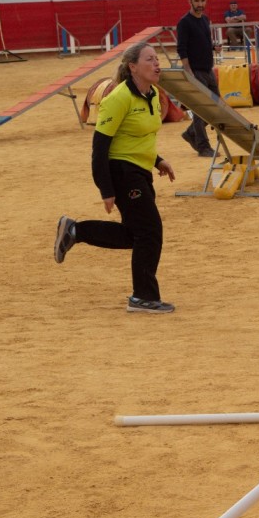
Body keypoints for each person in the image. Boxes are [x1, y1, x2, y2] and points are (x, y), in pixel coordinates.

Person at [52, 42, 178, 314]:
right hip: (122, 172)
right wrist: (105, 189)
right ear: (133, 66)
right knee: (150, 231)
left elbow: (139, 135)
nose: (157, 64)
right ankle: (143, 297)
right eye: (150, 59)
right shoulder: (117, 98)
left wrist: (158, 160)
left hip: (141, 171)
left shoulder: (154, 94)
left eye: (157, 59)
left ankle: (75, 231)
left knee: (135, 235)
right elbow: (100, 148)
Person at [177, 0, 221, 157]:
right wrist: (189, 73)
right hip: (195, 71)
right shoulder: (184, 22)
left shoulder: (204, 19)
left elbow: (202, 41)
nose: (200, 4)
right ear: (190, 1)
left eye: (202, 1)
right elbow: (182, 49)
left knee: (215, 108)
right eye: (197, 1)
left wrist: (213, 48)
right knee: (200, 108)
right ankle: (203, 146)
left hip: (208, 69)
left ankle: (191, 133)